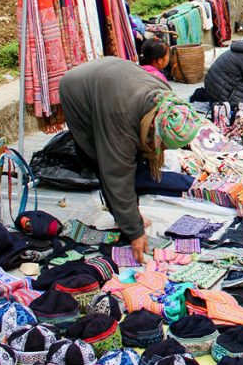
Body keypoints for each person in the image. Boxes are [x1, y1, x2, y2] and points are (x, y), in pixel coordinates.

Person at [60, 57, 201, 262]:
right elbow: (116, 171)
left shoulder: (166, 100)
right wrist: (135, 232)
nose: (161, 150)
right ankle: (124, 217)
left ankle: (127, 214)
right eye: (161, 145)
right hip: (77, 89)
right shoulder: (122, 116)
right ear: (154, 127)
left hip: (112, 79)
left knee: (131, 158)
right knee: (102, 160)